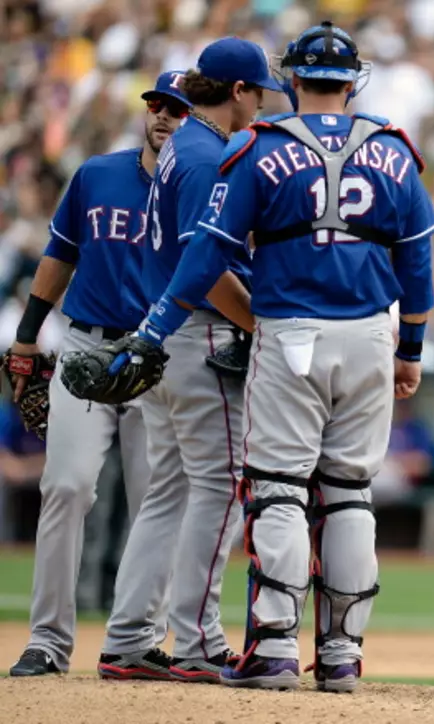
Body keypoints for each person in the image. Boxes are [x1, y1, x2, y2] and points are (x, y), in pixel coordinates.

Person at [103, 21, 434, 692]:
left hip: (290, 335)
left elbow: (207, 253)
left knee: (279, 488)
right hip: (372, 333)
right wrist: (410, 348)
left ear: (290, 80)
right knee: (349, 495)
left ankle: (276, 648)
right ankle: (342, 656)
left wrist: (153, 326)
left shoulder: (261, 146)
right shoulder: (394, 150)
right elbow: (420, 259)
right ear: (354, 82)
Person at [95, 38, 280, 683]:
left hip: (163, 335)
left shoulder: (179, 148)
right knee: (219, 486)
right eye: (259, 93)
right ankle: (199, 643)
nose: (261, 105)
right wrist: (259, 324)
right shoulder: (206, 155)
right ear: (237, 92)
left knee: (169, 492)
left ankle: (125, 640)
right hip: (199, 335)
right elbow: (203, 269)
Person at [6, 71, 190, 677]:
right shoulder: (97, 175)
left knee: (154, 505)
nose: (163, 115)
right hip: (87, 347)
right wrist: (28, 336)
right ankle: (47, 641)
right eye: (157, 104)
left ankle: (135, 639)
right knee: (65, 488)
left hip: (161, 356)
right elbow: (59, 253)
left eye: (179, 108)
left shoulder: (205, 187)